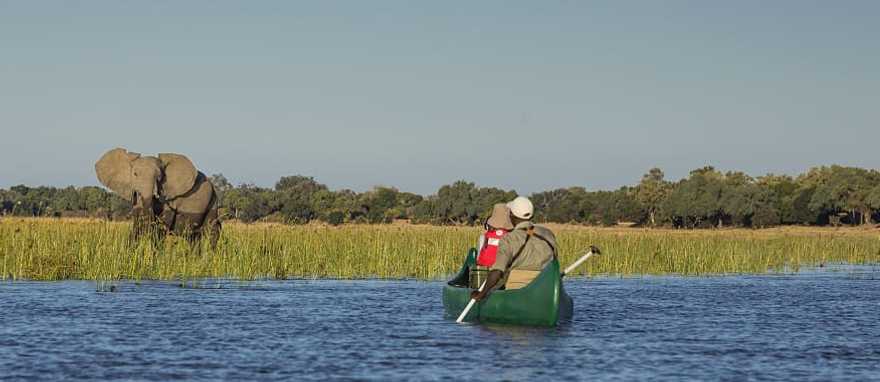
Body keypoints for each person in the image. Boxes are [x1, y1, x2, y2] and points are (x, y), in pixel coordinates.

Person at [470, 196, 558, 301]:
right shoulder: (548, 234)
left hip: (517, 287)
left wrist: (481, 294)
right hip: (545, 288)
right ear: (532, 215)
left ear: (511, 215)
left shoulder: (508, 239)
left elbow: (497, 272)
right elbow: (554, 261)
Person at [470, 204, 514, 288]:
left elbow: (479, 257)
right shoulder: (511, 236)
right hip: (502, 274)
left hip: (484, 272)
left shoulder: (484, 237)